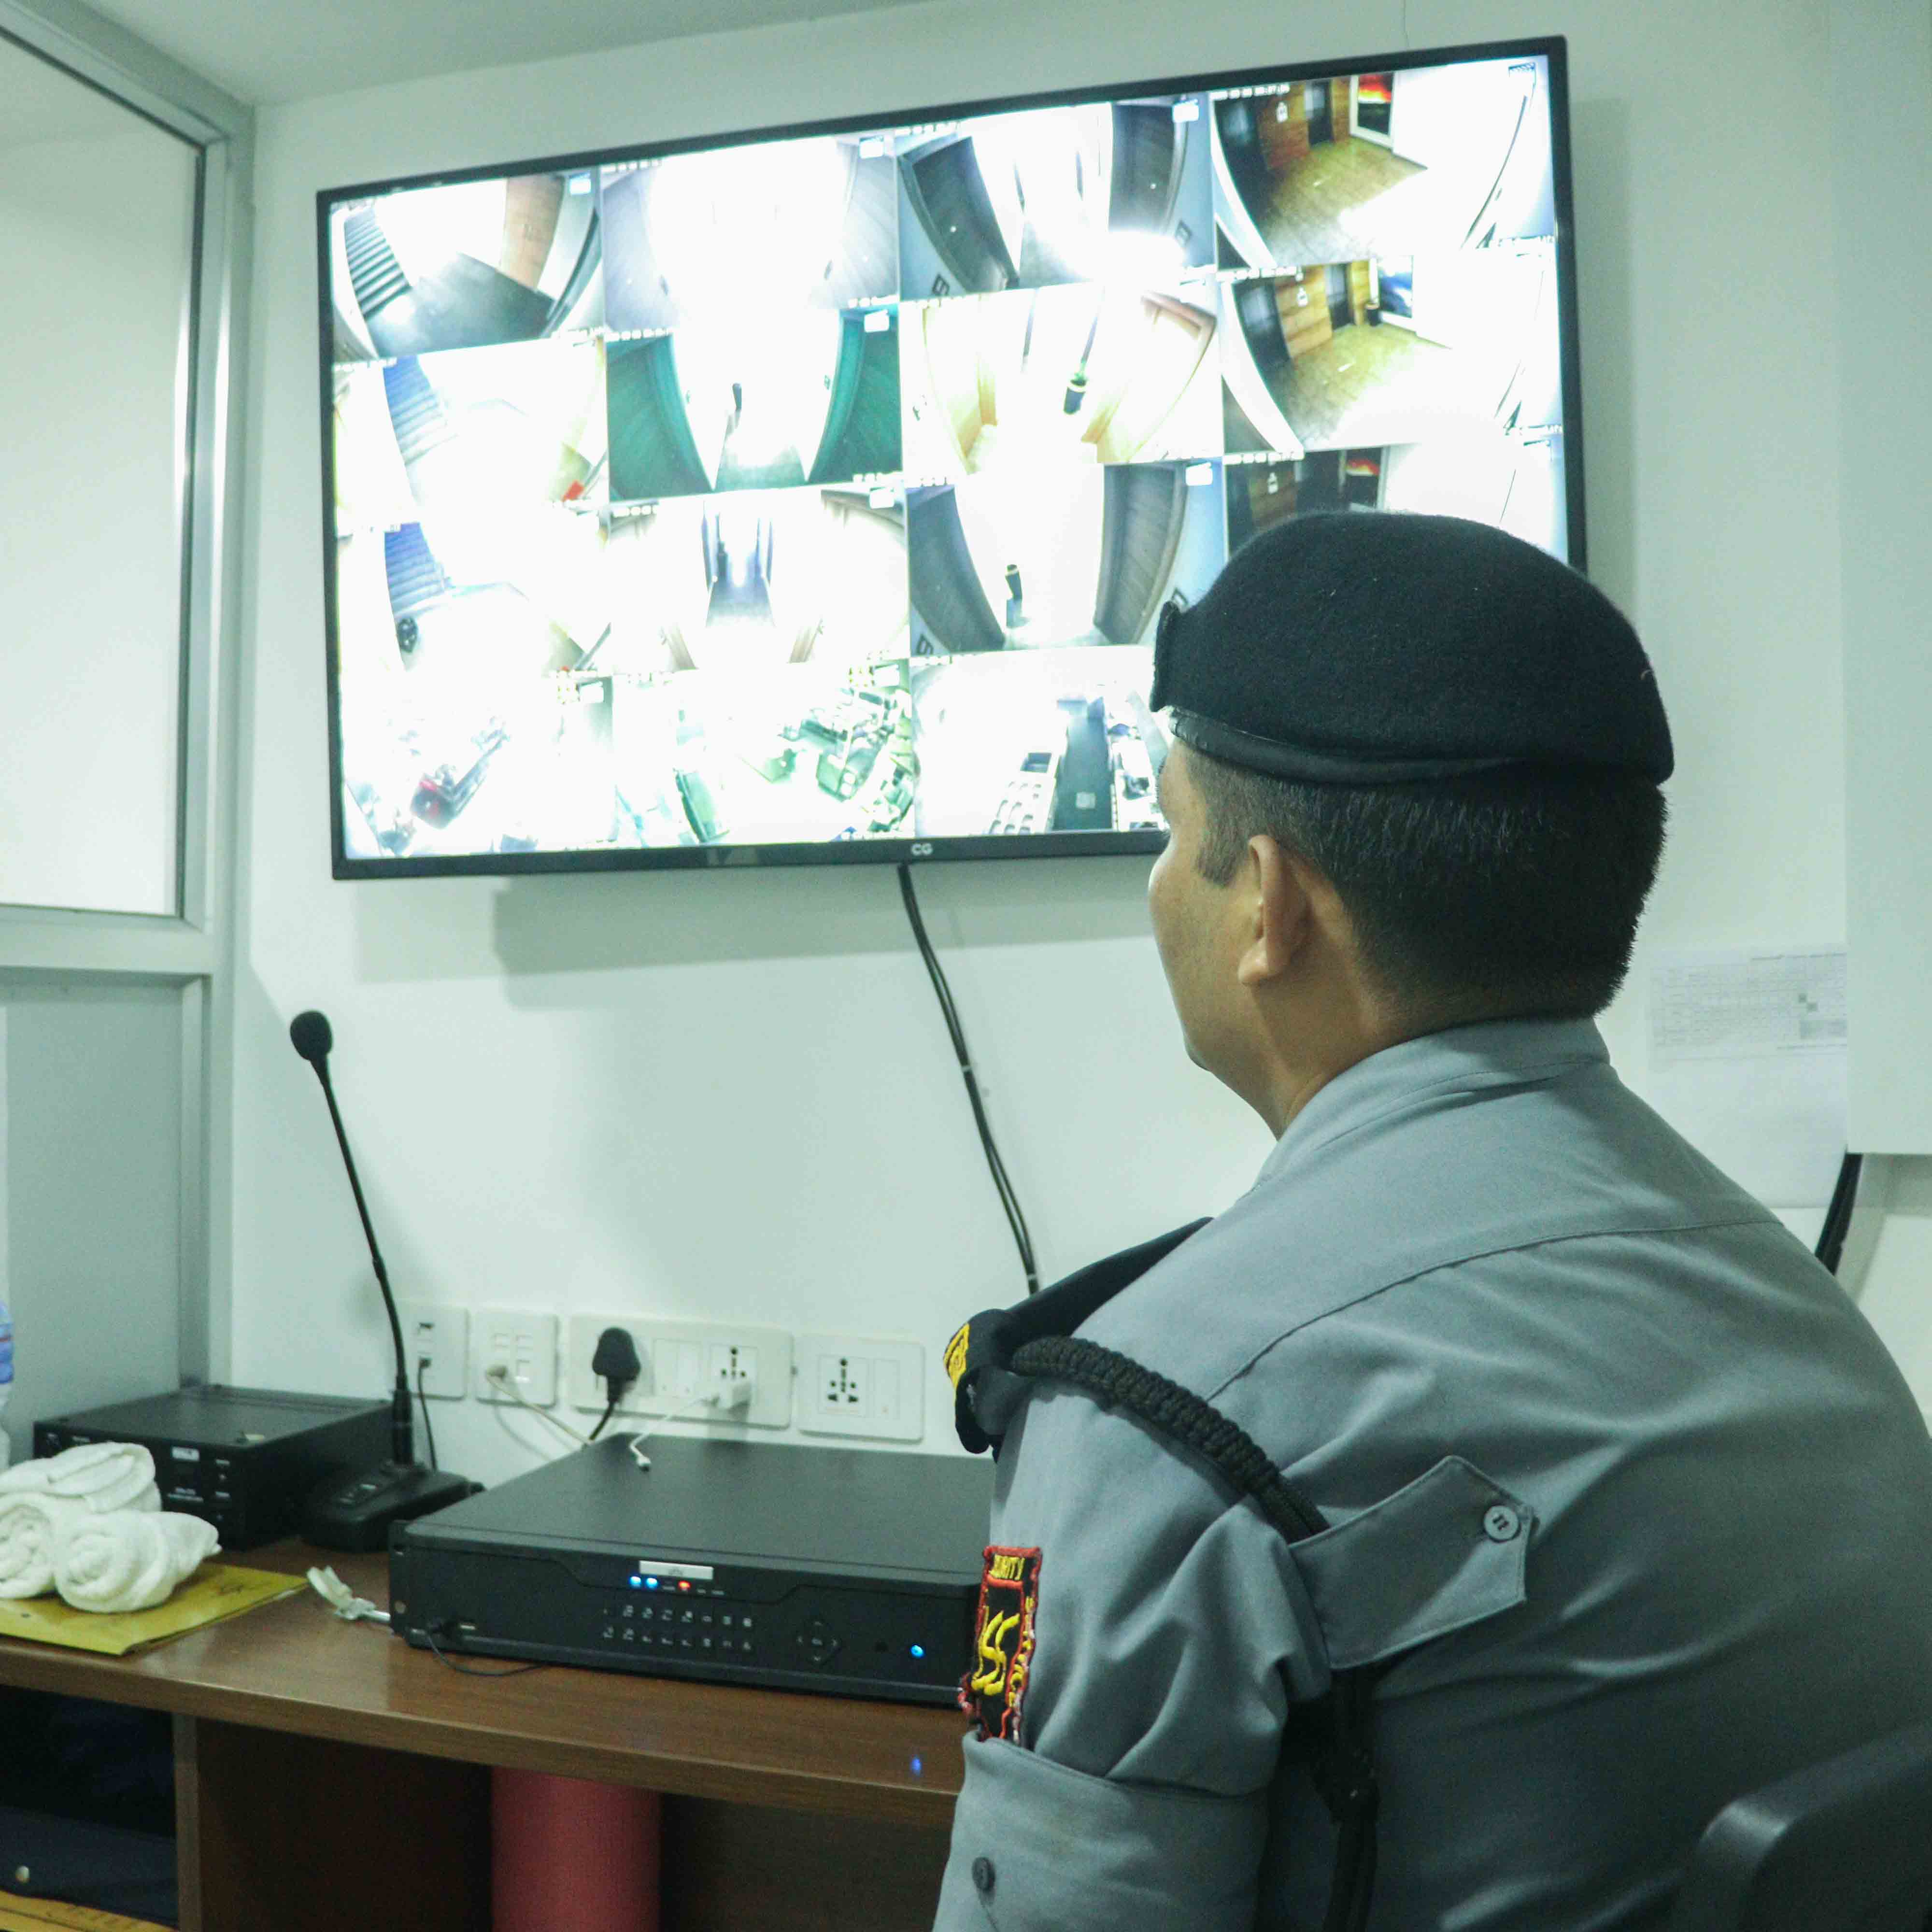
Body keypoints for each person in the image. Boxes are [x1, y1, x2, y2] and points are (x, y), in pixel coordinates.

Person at [933, 512, 1932, 1932]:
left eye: (1170, 831)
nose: (1156, 885)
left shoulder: (1156, 1420)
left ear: (1269, 905)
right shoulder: (1814, 1333)